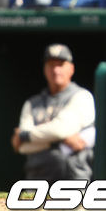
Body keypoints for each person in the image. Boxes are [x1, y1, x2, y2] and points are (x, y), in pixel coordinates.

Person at [11, 44, 95, 181]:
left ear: (71, 69)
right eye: (51, 65)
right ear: (44, 69)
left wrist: (25, 135)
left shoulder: (82, 96)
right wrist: (61, 141)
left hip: (72, 178)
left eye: (61, 64)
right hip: (37, 178)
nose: (55, 70)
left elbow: (59, 130)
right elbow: (23, 147)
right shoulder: (32, 103)